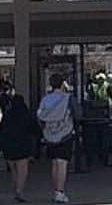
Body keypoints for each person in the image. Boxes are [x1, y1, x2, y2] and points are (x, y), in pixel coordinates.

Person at [37, 74, 80, 204]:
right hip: (65, 134)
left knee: (55, 164)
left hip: (49, 135)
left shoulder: (45, 99)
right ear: (63, 84)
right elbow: (78, 114)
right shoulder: (68, 99)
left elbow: (39, 116)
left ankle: (56, 190)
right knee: (62, 163)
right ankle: (60, 192)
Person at [0, 94, 40, 203]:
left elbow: (0, 131)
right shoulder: (26, 115)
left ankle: (16, 188)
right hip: (23, 146)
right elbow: (35, 129)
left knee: (14, 171)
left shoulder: (7, 115)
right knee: (22, 170)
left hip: (9, 146)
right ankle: (19, 191)